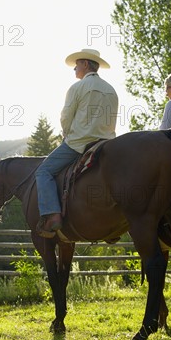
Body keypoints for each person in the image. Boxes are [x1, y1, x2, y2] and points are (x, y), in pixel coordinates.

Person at [35, 48, 118, 237]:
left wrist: (66, 135)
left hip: (80, 143)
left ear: (86, 64)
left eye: (76, 65)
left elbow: (66, 117)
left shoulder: (77, 87)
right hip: (106, 143)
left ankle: (53, 215)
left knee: (43, 171)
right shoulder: (111, 89)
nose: (74, 69)